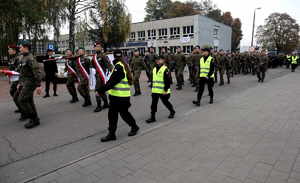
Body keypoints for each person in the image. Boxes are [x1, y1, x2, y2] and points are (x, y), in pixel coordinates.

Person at [99, 50, 140, 142]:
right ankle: (114, 133)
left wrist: (101, 90)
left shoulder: (119, 66)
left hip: (120, 97)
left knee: (118, 114)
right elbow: (113, 80)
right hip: (119, 96)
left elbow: (113, 81)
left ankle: (131, 128)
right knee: (118, 114)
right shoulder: (122, 65)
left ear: (113, 57)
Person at [16, 42, 42, 129]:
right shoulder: (23, 57)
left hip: (31, 82)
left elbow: (37, 72)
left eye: (21, 47)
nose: (19, 49)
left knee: (22, 99)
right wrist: (20, 83)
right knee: (29, 100)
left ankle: (33, 118)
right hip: (25, 82)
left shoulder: (30, 58)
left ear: (26, 47)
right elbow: (22, 72)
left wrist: (39, 85)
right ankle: (35, 119)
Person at [146, 56, 175, 123]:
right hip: (155, 90)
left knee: (165, 102)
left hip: (163, 90)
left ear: (163, 61)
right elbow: (153, 79)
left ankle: (172, 111)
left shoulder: (165, 69)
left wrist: (165, 90)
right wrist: (152, 85)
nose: (159, 61)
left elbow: (168, 81)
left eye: (160, 60)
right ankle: (152, 117)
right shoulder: (154, 69)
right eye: (158, 60)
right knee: (153, 104)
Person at [92, 42, 112, 112]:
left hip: (102, 76)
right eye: (96, 47)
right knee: (102, 91)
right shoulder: (94, 57)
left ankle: (99, 106)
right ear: (94, 48)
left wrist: (113, 72)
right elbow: (93, 66)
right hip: (97, 76)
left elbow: (109, 64)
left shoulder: (103, 55)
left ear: (101, 48)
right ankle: (106, 104)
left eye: (99, 46)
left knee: (97, 91)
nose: (97, 48)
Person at [7, 44, 21, 113]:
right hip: (14, 79)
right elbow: (11, 68)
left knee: (16, 93)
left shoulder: (18, 58)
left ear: (14, 50)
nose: (8, 51)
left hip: (18, 79)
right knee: (13, 92)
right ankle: (21, 107)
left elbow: (19, 70)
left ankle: (23, 108)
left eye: (10, 49)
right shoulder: (12, 58)